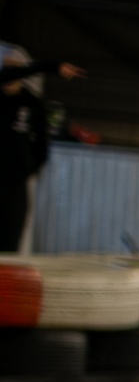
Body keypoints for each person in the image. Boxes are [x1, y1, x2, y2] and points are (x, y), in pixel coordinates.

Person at [0, 45, 86, 254]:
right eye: (7, 69)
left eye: (17, 70)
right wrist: (52, 66)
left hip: (15, 183)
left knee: (10, 241)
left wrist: (30, 168)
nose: (12, 75)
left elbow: (42, 144)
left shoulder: (32, 103)